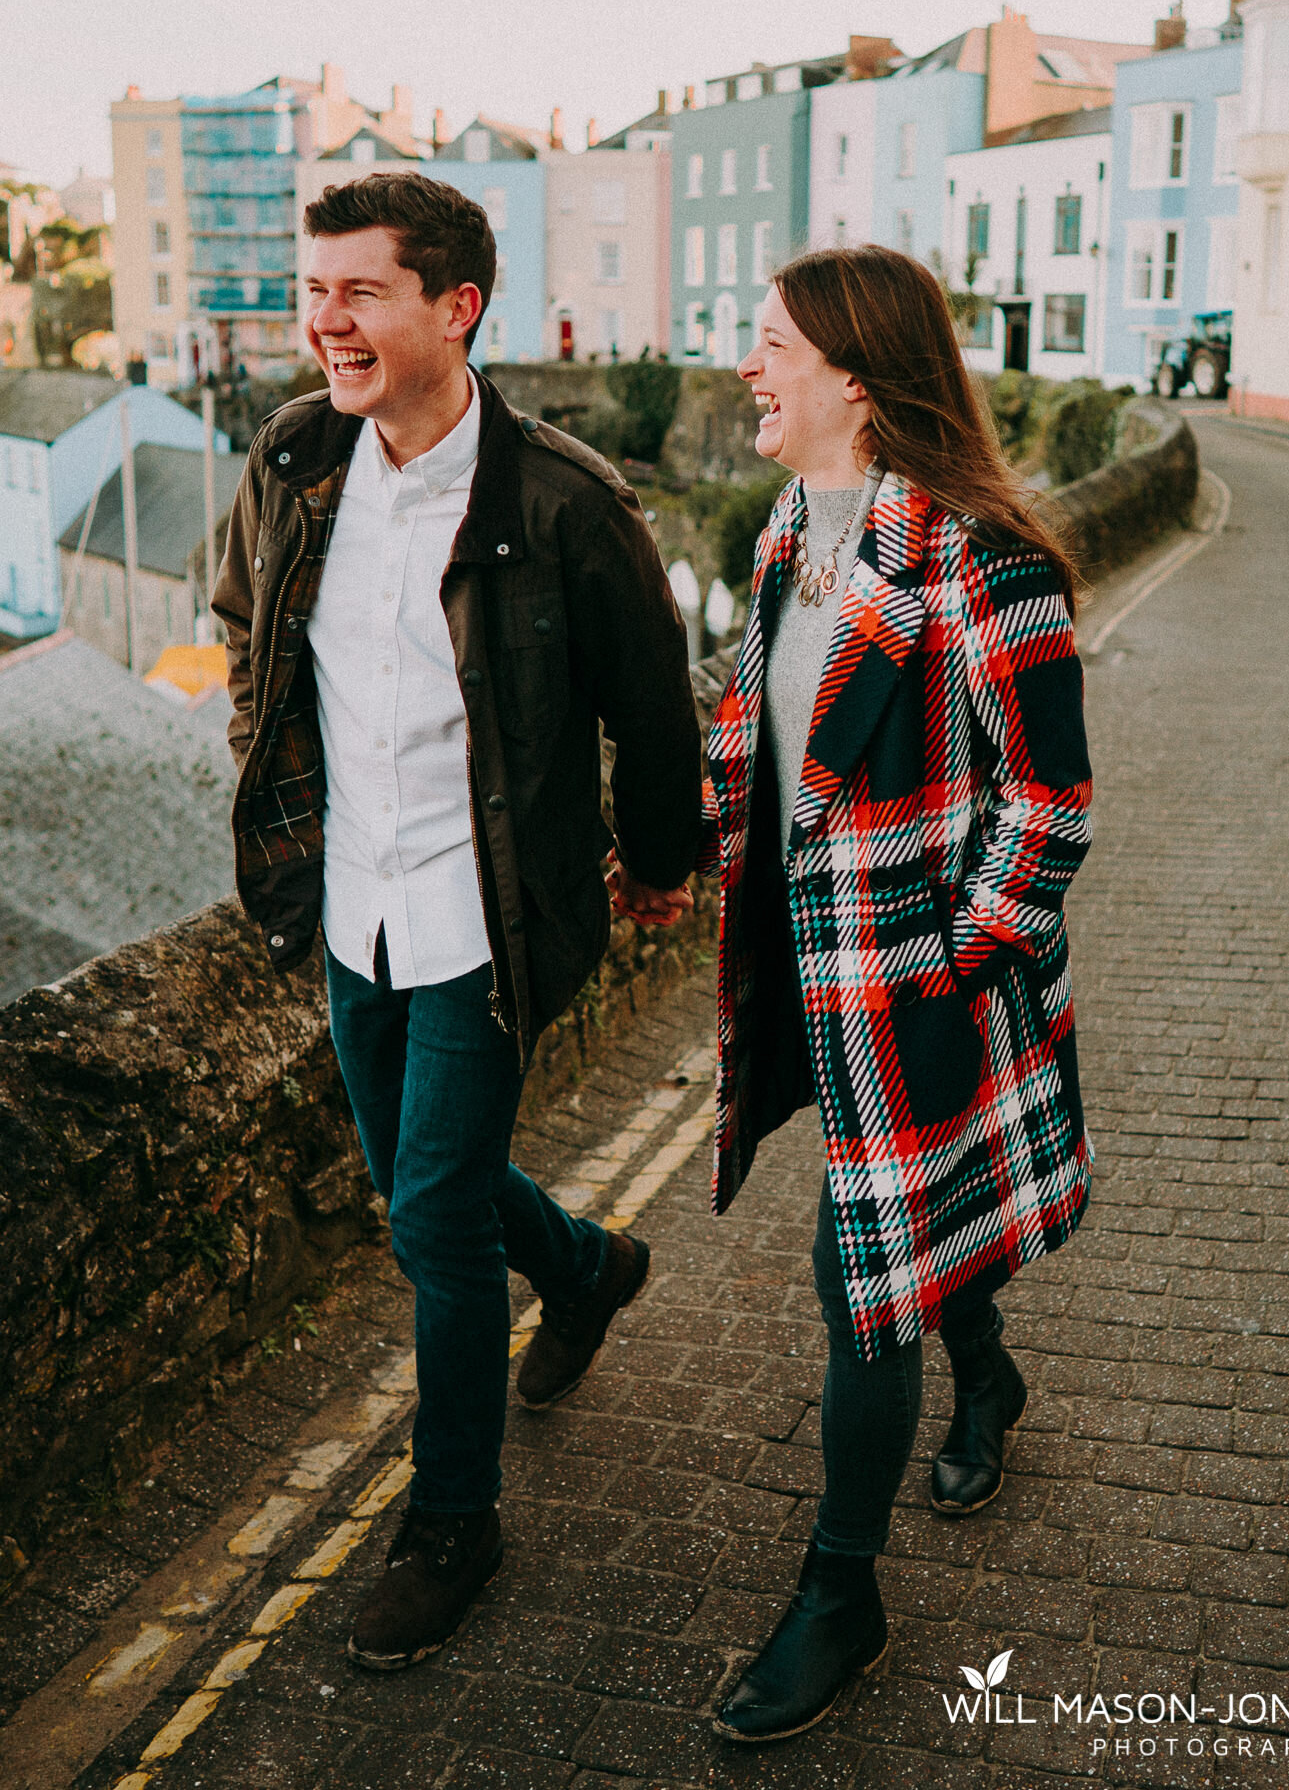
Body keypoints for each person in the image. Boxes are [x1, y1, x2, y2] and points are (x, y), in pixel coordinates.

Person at [213, 172, 698, 1671]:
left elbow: (651, 705)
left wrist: (660, 860)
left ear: (454, 308)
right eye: (316, 290)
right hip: (347, 897)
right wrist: (261, 755)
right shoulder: (297, 459)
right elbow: (239, 615)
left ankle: (455, 1519)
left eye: (361, 292)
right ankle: (586, 1266)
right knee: (429, 1181)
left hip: (491, 912)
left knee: (427, 1214)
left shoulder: (564, 501)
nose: (326, 321)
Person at [700, 245, 1093, 1743]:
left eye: (769, 342)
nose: (749, 364)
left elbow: (1048, 802)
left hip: (918, 981)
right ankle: (984, 1381)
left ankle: (839, 1594)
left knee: (858, 1280)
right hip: (803, 966)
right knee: (914, 1239)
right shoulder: (787, 527)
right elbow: (776, 741)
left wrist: (954, 967)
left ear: (853, 377)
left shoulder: (986, 560)